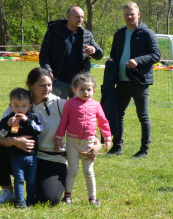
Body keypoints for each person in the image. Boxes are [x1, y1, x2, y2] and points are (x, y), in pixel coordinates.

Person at [0, 68, 70, 205]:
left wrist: (96, 143)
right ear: (30, 85)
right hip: (19, 155)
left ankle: (38, 187)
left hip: (51, 158)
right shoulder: (17, 103)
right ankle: (8, 190)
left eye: (49, 85)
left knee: (48, 199)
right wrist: (14, 141)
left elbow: (82, 125)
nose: (47, 89)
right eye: (42, 85)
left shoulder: (60, 104)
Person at [106, 2, 160, 159]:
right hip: (121, 81)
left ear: (138, 14)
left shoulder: (147, 33)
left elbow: (156, 55)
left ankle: (144, 150)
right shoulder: (119, 34)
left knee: (142, 116)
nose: (129, 17)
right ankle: (117, 147)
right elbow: (114, 54)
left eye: (132, 14)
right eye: (126, 14)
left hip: (139, 81)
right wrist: (111, 62)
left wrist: (138, 60)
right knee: (118, 114)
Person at [54, 73, 112, 206]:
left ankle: (92, 197)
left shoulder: (96, 105)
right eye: (82, 89)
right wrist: (59, 138)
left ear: (94, 91)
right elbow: (64, 122)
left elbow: (103, 122)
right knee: (73, 170)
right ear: (75, 90)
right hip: (73, 142)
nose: (85, 92)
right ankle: (67, 196)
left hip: (89, 143)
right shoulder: (70, 103)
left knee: (88, 171)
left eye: (89, 89)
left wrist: (107, 138)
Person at [38, 6, 103, 99]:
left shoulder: (87, 34)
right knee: (57, 111)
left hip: (80, 83)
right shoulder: (54, 31)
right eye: (77, 17)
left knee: (79, 111)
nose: (80, 19)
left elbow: (100, 55)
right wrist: (48, 71)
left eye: (82, 17)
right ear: (68, 16)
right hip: (58, 80)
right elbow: (44, 54)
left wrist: (94, 50)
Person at [1, 88, 43, 208]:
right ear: (11, 105)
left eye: (24, 106)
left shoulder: (33, 117)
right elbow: (0, 135)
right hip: (15, 156)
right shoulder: (7, 119)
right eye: (16, 106)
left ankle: (30, 200)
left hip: (31, 156)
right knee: (19, 179)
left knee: (31, 180)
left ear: (29, 106)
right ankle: (20, 201)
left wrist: (28, 121)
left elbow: (39, 130)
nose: (20, 109)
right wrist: (6, 125)